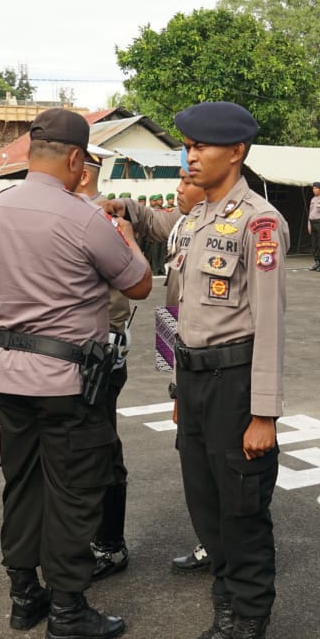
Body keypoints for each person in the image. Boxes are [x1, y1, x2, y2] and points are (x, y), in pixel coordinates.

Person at [0, 108, 152, 639]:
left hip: (10, 373)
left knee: (22, 485)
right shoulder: (83, 218)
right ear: (76, 158)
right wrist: (126, 235)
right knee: (74, 491)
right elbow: (139, 285)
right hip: (68, 379)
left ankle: (25, 596)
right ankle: (69, 611)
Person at [158, 101, 287, 639]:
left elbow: (271, 325)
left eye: (201, 147)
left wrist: (264, 414)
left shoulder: (259, 222)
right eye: (187, 147)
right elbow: (182, 312)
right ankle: (224, 624)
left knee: (242, 515)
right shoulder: (198, 220)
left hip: (237, 386)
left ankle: (251, 638)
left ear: (234, 152)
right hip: (195, 381)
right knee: (208, 513)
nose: (191, 156)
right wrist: (180, 388)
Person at [107, 174, 214, 575]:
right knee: (190, 452)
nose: (179, 189)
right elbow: (152, 218)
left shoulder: (221, 223)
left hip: (213, 354)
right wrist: (124, 208)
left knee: (217, 456)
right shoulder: (184, 222)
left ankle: (224, 544)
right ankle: (209, 540)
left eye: (188, 182)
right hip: (180, 346)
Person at [74, 148, 133, 582]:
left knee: (100, 444)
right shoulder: (67, 213)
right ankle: (84, 537)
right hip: (69, 348)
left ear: (81, 172)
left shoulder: (105, 218)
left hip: (102, 348)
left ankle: (109, 543)